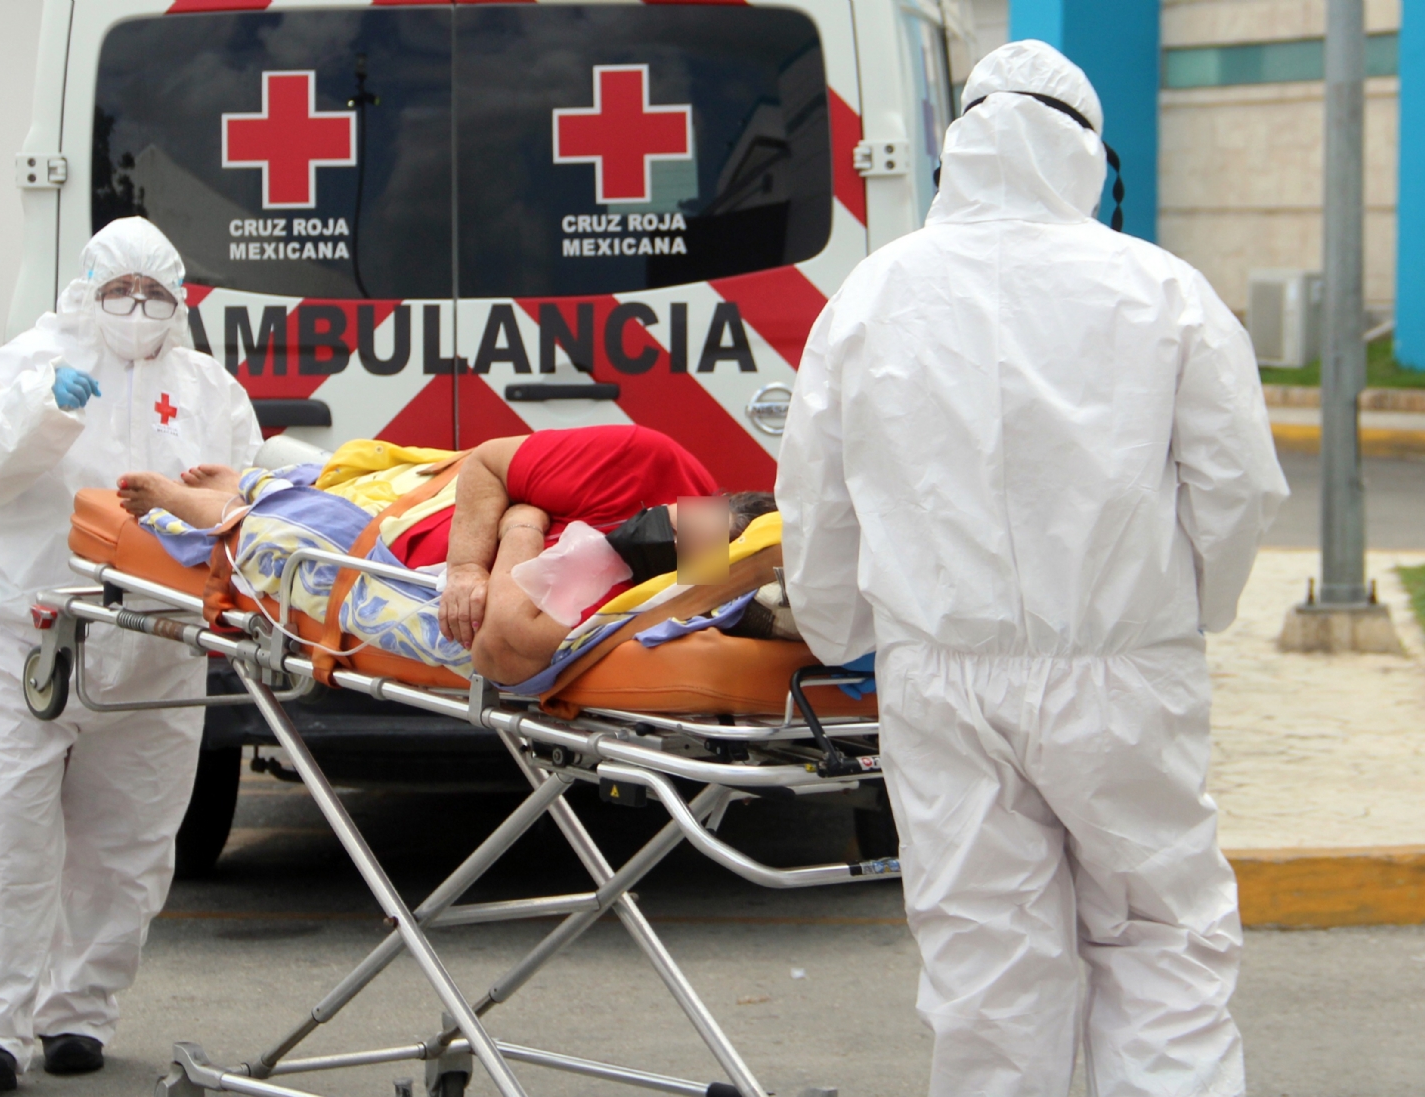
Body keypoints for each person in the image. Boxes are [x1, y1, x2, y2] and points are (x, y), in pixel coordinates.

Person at [776, 41, 1287, 1097]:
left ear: (957, 148)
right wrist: (1194, 606)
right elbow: (1237, 486)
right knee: (1160, 940)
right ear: (1086, 156)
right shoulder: (1161, 290)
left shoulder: (872, 296)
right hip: (1121, 669)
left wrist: (837, 631)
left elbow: (817, 498)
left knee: (986, 971)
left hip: (940, 676)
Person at [0, 218, 261, 1092]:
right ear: (84, 291)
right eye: (119, 291)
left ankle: (78, 1013)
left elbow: (243, 498)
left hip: (154, 647)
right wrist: (40, 411)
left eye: (154, 294)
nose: (136, 309)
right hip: (23, 642)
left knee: (129, 844)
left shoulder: (208, 389)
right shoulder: (29, 362)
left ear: (179, 303)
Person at [117, 424, 777, 684]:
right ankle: (224, 489)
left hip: (392, 553)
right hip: (434, 508)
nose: (678, 540)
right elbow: (491, 464)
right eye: (699, 526)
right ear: (720, 498)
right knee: (306, 491)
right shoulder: (644, 462)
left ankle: (220, 498)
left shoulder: (655, 583)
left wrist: (529, 528)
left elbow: (499, 647)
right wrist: (473, 561)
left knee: (276, 526)